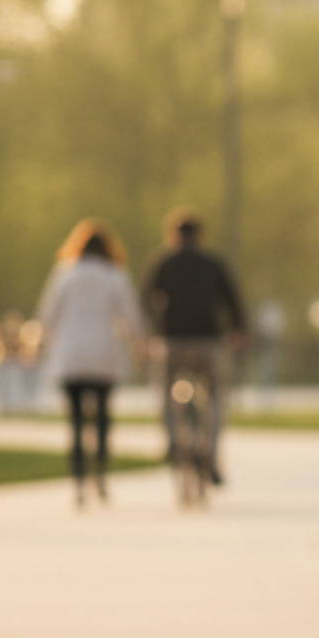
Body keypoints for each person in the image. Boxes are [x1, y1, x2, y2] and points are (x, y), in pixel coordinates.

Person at [36, 220, 144, 509]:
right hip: (103, 355)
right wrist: (138, 344)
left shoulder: (64, 275)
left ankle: (78, 482)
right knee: (102, 419)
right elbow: (131, 317)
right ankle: (101, 474)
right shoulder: (115, 275)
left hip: (70, 356)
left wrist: (41, 344)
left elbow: (47, 315)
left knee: (75, 423)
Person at [143, 208, 247, 485]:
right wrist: (238, 331)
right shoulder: (213, 263)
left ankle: (173, 441)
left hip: (172, 340)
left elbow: (146, 300)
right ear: (199, 236)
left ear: (173, 235)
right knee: (215, 397)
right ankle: (209, 454)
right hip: (208, 340)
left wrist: (150, 334)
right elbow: (232, 299)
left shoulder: (163, 262)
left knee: (164, 390)